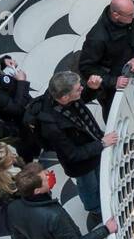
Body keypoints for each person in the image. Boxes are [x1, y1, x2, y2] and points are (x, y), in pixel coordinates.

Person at [27, 71, 118, 222]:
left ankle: (103, 197)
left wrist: (91, 89)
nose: (81, 88)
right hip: (81, 163)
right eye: (78, 88)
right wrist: (101, 144)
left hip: (91, 144)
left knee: (98, 176)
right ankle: (95, 209)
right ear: (64, 97)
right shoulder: (52, 126)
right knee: (89, 186)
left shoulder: (61, 97)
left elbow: (81, 99)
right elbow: (72, 154)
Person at [5, 163, 116, 239]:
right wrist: (106, 229)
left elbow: (16, 237)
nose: (49, 176)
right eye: (45, 178)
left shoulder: (13, 207)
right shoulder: (54, 217)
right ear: (37, 191)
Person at [79, 0, 134, 119]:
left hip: (129, 70)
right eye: (130, 15)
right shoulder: (97, 38)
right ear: (116, 15)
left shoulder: (130, 16)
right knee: (112, 112)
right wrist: (114, 81)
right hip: (110, 85)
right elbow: (86, 67)